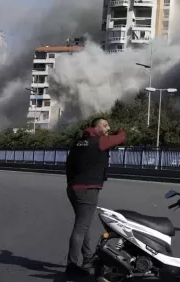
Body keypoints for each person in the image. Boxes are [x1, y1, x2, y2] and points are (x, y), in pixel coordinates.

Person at [64, 117, 126, 275]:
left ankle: (88, 257)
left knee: (84, 224)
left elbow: (68, 165)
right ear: (96, 128)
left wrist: (72, 184)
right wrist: (121, 130)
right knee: (81, 227)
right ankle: (72, 265)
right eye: (105, 126)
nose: (108, 128)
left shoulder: (78, 143)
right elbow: (121, 137)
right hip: (87, 189)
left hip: (73, 188)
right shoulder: (99, 141)